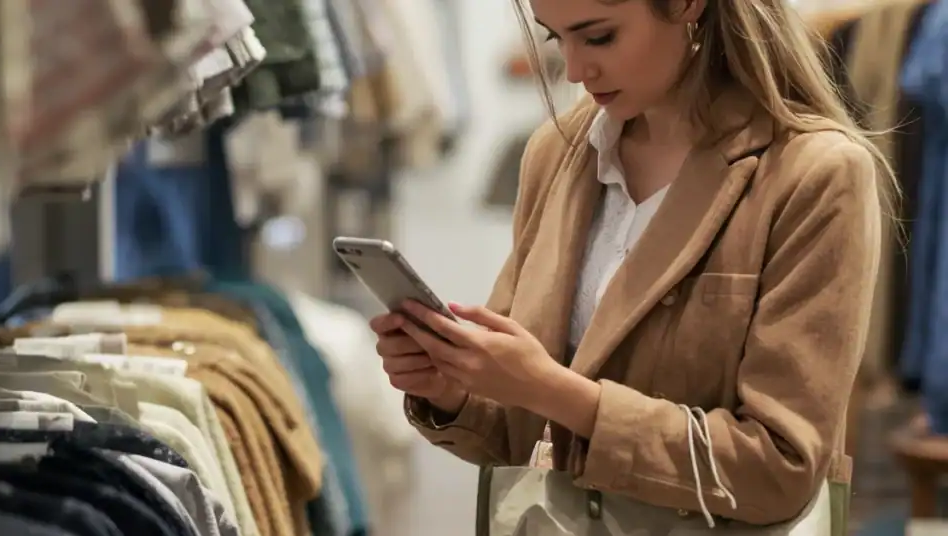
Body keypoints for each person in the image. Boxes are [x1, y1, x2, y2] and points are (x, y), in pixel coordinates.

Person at [369, 0, 891, 526]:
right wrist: (454, 389)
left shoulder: (813, 173)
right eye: (556, 39)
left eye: (598, 38)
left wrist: (554, 391)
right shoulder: (558, 154)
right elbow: (522, 435)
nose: (575, 70)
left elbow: (779, 468)